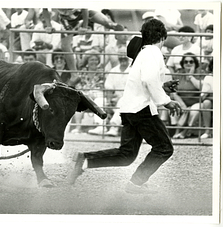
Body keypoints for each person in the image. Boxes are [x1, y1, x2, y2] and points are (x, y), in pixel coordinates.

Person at [67, 19, 182, 194]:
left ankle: (85, 160)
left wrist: (163, 87)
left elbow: (144, 81)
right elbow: (149, 79)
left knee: (126, 155)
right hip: (142, 109)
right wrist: (166, 100)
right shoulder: (153, 52)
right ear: (162, 36)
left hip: (129, 108)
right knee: (164, 148)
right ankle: (135, 184)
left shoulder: (143, 53)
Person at [42, 8, 124, 86]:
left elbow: (85, 8)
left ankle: (114, 27)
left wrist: (84, 26)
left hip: (83, 13)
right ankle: (74, 75)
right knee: (65, 46)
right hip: (67, 19)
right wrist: (48, 25)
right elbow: (45, 8)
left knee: (107, 22)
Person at [88, 47, 130, 136]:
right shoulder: (114, 70)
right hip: (115, 99)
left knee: (123, 101)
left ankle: (114, 127)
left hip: (128, 101)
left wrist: (119, 98)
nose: (123, 58)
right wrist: (109, 100)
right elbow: (109, 87)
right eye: (120, 56)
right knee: (99, 100)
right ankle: (100, 127)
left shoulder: (133, 70)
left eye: (125, 56)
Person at [171, 53, 205, 139]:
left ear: (195, 63)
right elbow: (173, 92)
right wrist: (182, 104)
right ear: (182, 63)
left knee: (195, 110)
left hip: (196, 102)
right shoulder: (179, 74)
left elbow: (202, 88)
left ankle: (185, 131)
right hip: (182, 101)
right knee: (175, 106)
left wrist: (191, 76)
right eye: (186, 62)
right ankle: (177, 131)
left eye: (191, 61)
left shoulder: (200, 73)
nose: (188, 63)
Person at [70, 49, 104, 134]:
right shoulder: (82, 72)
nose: (94, 62)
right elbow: (78, 86)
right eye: (91, 59)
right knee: (78, 100)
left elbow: (101, 86)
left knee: (99, 100)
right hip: (85, 95)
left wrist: (91, 93)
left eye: (96, 59)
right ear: (87, 61)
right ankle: (78, 127)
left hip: (97, 95)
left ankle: (100, 127)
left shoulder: (101, 72)